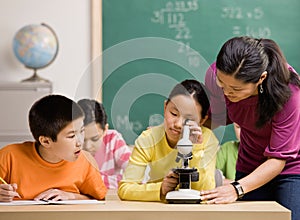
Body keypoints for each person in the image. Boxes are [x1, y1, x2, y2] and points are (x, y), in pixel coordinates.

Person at [202, 36, 300, 220]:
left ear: (261, 78)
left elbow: (278, 159)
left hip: (290, 167)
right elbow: (219, 117)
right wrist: (191, 124)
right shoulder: (216, 74)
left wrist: (237, 188)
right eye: (222, 84)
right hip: (249, 163)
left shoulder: (289, 92)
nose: (226, 93)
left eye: (236, 89)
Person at [118, 79, 219, 201]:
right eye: (174, 114)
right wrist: (160, 189)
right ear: (165, 107)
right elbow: (125, 189)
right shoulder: (149, 139)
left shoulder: (208, 140)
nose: (178, 124)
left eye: (189, 119)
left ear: (202, 120)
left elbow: (205, 191)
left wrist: (195, 148)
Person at [0, 94, 107, 202]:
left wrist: (71, 196)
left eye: (82, 131)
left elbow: (99, 198)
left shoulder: (86, 161)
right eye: (71, 136)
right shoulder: (9, 156)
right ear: (46, 141)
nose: (80, 142)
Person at [77, 99, 131, 189]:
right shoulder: (69, 144)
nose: (87, 146)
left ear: (105, 129)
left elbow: (136, 178)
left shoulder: (113, 139)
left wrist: (90, 181)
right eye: (82, 139)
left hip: (110, 201)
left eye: (95, 139)